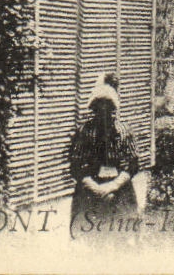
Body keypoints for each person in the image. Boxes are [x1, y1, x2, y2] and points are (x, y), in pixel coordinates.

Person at [68, 73, 145, 238]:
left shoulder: (124, 132)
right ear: (93, 110)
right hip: (89, 193)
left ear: (114, 109)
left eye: (109, 108)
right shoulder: (84, 132)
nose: (104, 113)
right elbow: (76, 167)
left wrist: (112, 187)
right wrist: (96, 188)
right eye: (99, 108)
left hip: (120, 193)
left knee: (123, 237)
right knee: (88, 237)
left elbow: (132, 165)